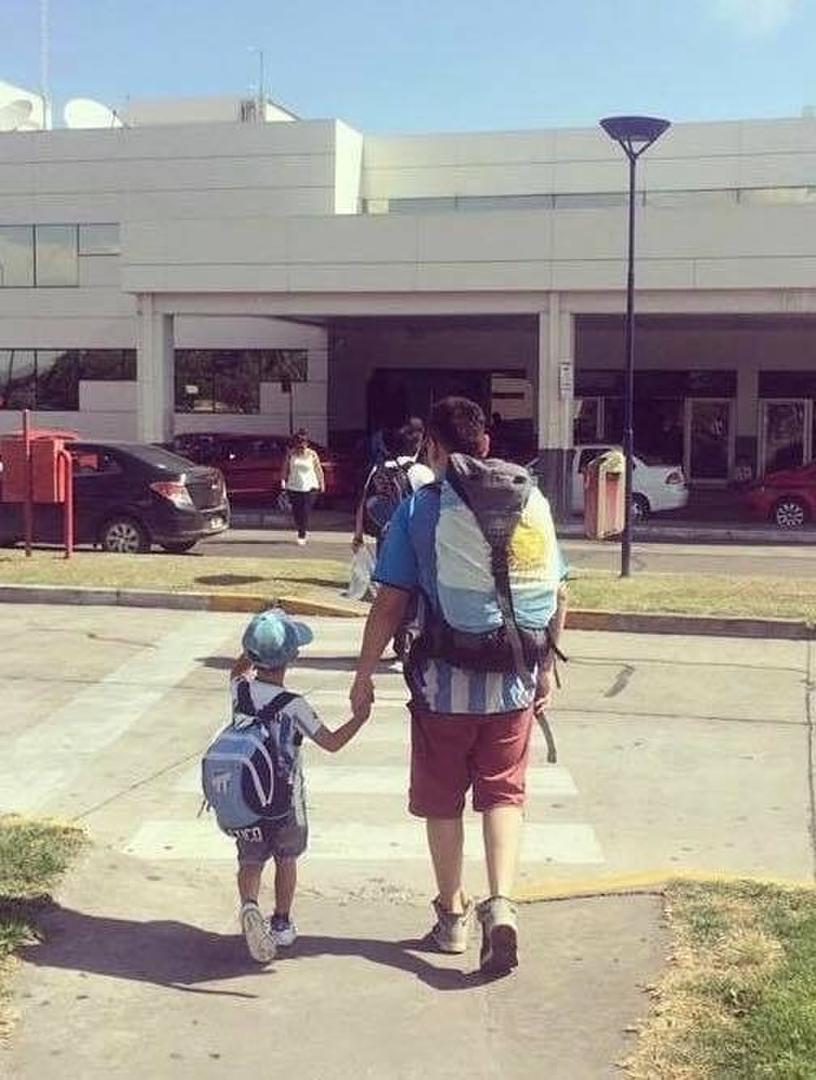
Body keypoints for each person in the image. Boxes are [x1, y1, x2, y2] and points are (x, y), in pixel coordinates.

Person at [350, 397, 568, 976]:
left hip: (442, 688)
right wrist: (544, 668)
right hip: (514, 684)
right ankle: (503, 907)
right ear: (486, 444)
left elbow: (391, 601)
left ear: (435, 449)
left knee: (443, 800)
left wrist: (363, 674)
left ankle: (451, 917)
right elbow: (559, 591)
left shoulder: (421, 509)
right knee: (503, 794)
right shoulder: (532, 499)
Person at [230, 609, 369, 964]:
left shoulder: (239, 689)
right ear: (292, 657)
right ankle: (281, 922)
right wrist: (360, 717)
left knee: (250, 859)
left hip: (246, 799)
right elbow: (333, 742)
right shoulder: (295, 706)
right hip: (285, 802)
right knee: (286, 859)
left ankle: (249, 906)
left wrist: (255, 641)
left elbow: (238, 667)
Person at [281, 430, 324, 546]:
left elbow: (318, 469)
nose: (301, 445)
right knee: (297, 511)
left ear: (307, 443)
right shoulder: (290, 454)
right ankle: (300, 529)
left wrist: (322, 483)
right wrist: (283, 483)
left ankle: (302, 534)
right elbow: (285, 469)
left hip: (310, 486)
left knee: (305, 511)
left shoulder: (312, 454)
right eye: (299, 443)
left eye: (303, 442)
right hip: (294, 486)